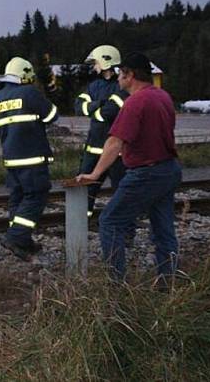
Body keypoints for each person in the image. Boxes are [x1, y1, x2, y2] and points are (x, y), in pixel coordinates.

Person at [77, 52, 182, 283]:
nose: (117, 79)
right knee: (163, 230)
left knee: (110, 221)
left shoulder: (135, 101)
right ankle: (168, 282)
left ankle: (116, 284)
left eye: (121, 74)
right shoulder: (162, 96)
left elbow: (115, 142)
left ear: (130, 75)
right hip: (168, 168)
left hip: (146, 173)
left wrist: (94, 173)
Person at [0, 57, 59, 259]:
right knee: (36, 195)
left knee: (17, 197)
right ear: (25, 75)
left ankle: (23, 240)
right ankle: (17, 236)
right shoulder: (29, 92)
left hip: (11, 157)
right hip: (32, 155)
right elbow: (52, 115)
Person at [75, 45, 129, 216]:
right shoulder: (94, 85)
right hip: (93, 150)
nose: (94, 66)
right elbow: (78, 107)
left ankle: (125, 229)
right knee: (84, 189)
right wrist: (99, 104)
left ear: (106, 62)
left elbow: (111, 112)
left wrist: (93, 110)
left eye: (96, 62)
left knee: (121, 191)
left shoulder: (122, 85)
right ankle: (82, 221)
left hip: (117, 152)